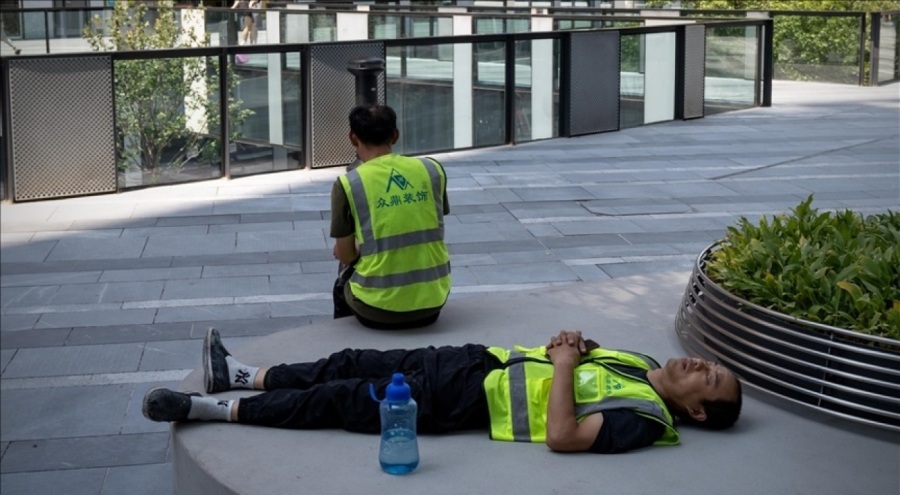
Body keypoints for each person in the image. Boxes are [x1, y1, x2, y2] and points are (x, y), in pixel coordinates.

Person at [143, 328, 742, 454]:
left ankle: (208, 408)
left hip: (467, 403)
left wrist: (562, 366)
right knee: (351, 360)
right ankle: (242, 375)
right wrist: (573, 345)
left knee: (344, 398)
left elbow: (563, 435)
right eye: (710, 364)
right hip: (476, 359)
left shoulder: (646, 420)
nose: (700, 364)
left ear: (695, 411)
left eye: (708, 379)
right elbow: (567, 360)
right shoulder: (638, 362)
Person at [330, 104, 451, 330]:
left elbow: (346, 255)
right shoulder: (431, 169)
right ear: (395, 135)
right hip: (433, 302)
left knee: (343, 274)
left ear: (352, 138)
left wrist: (352, 247)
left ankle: (343, 346)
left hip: (375, 310)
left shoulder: (348, 183)